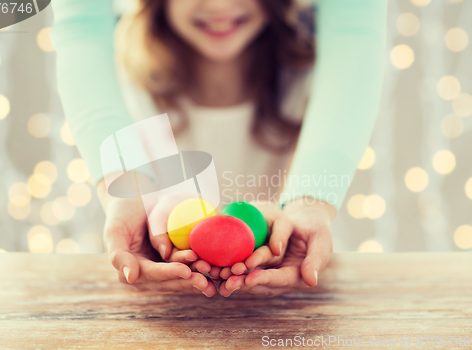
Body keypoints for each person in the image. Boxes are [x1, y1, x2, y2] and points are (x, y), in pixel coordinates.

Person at [52, 0, 387, 297]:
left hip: (292, 298)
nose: (218, 5)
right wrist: (128, 191)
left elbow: (355, 23)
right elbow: (79, 25)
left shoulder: (308, 82)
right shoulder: (129, 86)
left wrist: (309, 205)